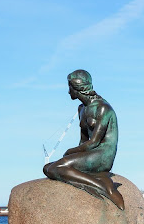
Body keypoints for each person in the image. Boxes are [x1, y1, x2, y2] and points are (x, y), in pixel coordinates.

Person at [43, 69, 124, 210]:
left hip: (102, 155)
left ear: (77, 88)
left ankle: (103, 186)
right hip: (90, 152)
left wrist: (69, 152)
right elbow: (83, 141)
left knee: (58, 167)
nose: (68, 92)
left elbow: (94, 142)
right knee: (47, 168)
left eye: (70, 87)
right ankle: (96, 181)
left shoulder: (103, 108)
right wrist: (74, 155)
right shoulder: (81, 109)